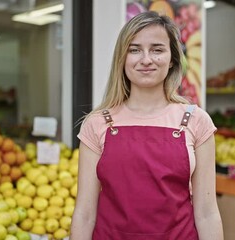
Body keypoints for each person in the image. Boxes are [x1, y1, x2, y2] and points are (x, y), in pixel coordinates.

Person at [70, 11, 223, 240]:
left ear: (172, 58)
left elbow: (207, 213)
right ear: (122, 58)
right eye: (134, 50)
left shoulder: (196, 121)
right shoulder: (97, 123)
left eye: (157, 49)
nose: (146, 59)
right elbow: (85, 214)